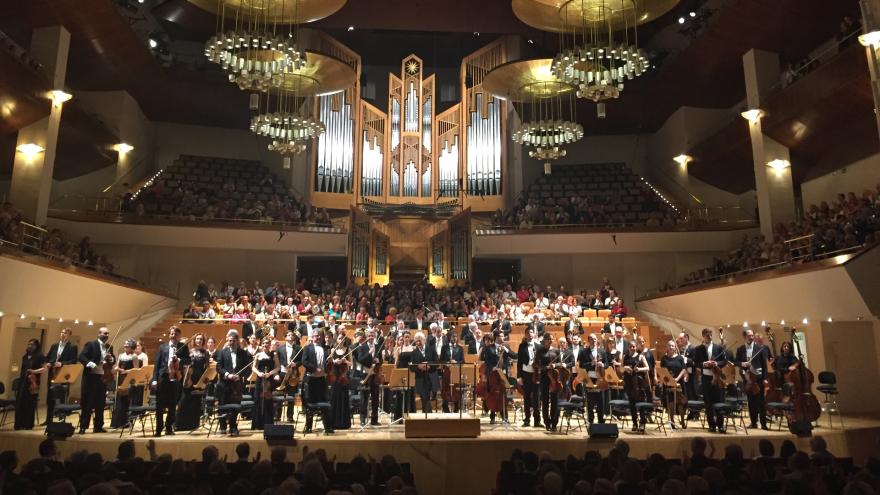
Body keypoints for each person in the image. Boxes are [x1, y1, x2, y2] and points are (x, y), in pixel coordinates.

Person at [150, 326, 190, 436]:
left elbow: (188, 360)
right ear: (169, 335)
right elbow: (157, 365)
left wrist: (180, 360)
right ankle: (159, 428)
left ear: (179, 336)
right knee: (159, 404)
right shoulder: (162, 347)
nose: (173, 336)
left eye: (176, 334)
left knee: (173, 404)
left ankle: (168, 427)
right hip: (163, 377)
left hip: (176, 377)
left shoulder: (183, 347)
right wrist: (154, 380)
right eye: (171, 334)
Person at [78, 326, 115, 434]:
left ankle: (98, 426)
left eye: (108, 334)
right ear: (99, 334)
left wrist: (111, 359)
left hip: (103, 377)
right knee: (87, 403)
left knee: (100, 403)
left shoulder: (109, 347)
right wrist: (91, 363)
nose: (106, 335)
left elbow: (113, 359)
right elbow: (81, 357)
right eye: (104, 333)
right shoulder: (91, 344)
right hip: (91, 377)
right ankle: (83, 427)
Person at [216, 330, 251, 436]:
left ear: (237, 341)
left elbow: (247, 369)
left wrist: (239, 376)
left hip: (237, 384)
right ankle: (222, 425)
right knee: (223, 404)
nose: (231, 342)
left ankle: (233, 426)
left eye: (233, 341)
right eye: (230, 340)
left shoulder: (243, 353)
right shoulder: (222, 352)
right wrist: (227, 374)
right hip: (224, 383)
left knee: (235, 406)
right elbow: (219, 367)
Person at [694, 328, 728, 433]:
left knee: (719, 401)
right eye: (707, 335)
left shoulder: (718, 348)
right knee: (708, 403)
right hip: (706, 378)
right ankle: (712, 426)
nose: (709, 336)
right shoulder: (699, 349)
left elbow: (724, 361)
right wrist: (704, 364)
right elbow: (696, 363)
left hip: (717, 377)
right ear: (703, 336)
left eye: (711, 335)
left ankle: (720, 425)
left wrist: (717, 364)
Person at [736, 328, 768, 430]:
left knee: (761, 403)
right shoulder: (740, 349)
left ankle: (763, 424)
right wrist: (742, 363)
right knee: (751, 402)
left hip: (758, 378)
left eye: (752, 335)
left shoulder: (760, 348)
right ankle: (753, 423)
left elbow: (764, 365)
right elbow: (736, 362)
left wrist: (765, 378)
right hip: (748, 379)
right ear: (744, 337)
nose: (751, 337)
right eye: (749, 336)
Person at [302, 331, 334, 434]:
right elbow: (304, 362)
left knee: (324, 402)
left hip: (321, 379)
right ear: (312, 337)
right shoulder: (307, 347)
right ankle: (308, 427)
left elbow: (324, 363)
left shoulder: (324, 348)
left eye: (319, 336)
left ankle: (327, 427)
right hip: (311, 379)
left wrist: (328, 362)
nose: (318, 337)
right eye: (316, 336)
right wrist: (315, 369)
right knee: (310, 403)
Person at [176, 333, 209, 431]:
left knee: (196, 402)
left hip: (199, 379)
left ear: (203, 341)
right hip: (189, 378)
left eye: (201, 339)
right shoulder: (190, 352)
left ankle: (193, 425)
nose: (199, 341)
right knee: (184, 401)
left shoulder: (206, 353)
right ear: (194, 340)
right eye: (197, 339)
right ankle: (180, 425)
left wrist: (205, 380)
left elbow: (207, 367)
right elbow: (185, 365)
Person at [44, 328, 77, 424]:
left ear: (69, 335)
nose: (63, 334)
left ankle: (61, 419)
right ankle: (48, 419)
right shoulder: (54, 346)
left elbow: (73, 361)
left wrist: (61, 363)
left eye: (66, 333)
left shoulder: (72, 347)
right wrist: (49, 363)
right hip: (53, 374)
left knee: (62, 396)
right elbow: (48, 358)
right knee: (50, 396)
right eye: (62, 332)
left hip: (63, 374)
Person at [577, 333, 608, 424]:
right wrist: (591, 364)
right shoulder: (583, 352)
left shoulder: (602, 351)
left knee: (600, 402)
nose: (594, 341)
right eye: (591, 339)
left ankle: (601, 422)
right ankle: (590, 422)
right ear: (588, 340)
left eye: (595, 339)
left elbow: (607, 364)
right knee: (590, 402)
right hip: (589, 378)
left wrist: (602, 364)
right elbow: (581, 365)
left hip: (600, 379)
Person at [14, 339, 45, 430]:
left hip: (33, 382)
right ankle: (19, 424)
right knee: (21, 403)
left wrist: (34, 371)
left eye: (31, 344)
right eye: (29, 344)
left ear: (36, 346)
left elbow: (44, 368)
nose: (29, 346)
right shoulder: (25, 356)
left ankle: (28, 424)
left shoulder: (40, 356)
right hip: (23, 382)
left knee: (30, 403)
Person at [251, 337, 280, 431]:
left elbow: (278, 367)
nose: (265, 345)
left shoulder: (274, 354)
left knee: (268, 401)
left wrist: (270, 374)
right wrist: (259, 373)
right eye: (263, 343)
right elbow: (254, 367)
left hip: (269, 380)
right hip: (260, 380)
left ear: (270, 344)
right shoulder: (258, 355)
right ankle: (258, 423)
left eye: (267, 343)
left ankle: (268, 423)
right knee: (258, 400)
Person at [354, 328, 382, 426]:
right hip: (365, 374)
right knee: (364, 398)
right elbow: (360, 359)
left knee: (375, 398)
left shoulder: (378, 346)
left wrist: (379, 361)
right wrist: (369, 353)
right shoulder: (362, 347)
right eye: (369, 335)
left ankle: (374, 420)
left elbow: (381, 360)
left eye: (372, 335)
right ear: (366, 337)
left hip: (375, 375)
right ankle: (363, 419)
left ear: (374, 337)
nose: (371, 337)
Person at [621, 342, 651, 432]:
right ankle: (634, 423)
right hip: (629, 383)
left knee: (641, 405)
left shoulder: (641, 356)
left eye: (634, 346)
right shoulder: (625, 357)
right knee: (632, 404)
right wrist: (625, 368)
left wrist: (639, 369)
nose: (632, 348)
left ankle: (642, 423)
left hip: (639, 383)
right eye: (631, 347)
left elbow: (647, 368)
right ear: (628, 348)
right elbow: (621, 369)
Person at [660, 340, 687, 430]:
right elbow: (662, 370)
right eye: (669, 345)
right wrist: (669, 379)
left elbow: (683, 369)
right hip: (668, 383)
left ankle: (682, 421)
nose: (671, 347)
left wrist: (677, 379)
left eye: (673, 346)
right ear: (667, 347)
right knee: (670, 402)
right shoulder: (664, 358)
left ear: (675, 348)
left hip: (678, 383)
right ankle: (672, 421)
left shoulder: (680, 358)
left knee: (680, 403)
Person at [275, 330, 302, 423]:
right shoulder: (280, 349)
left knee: (291, 396)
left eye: (292, 335)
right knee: (280, 395)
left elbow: (301, 361)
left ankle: (290, 416)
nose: (290, 336)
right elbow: (277, 362)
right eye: (288, 335)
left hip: (293, 375)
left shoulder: (298, 348)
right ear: (285, 337)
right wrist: (284, 366)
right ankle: (277, 416)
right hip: (283, 373)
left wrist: (295, 364)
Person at [110, 340, 138, 429]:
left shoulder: (134, 356)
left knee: (126, 400)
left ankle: (125, 422)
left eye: (127, 345)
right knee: (119, 400)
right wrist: (117, 368)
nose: (125, 346)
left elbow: (136, 369)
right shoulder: (121, 355)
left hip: (128, 379)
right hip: (120, 378)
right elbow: (117, 366)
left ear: (131, 347)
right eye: (125, 344)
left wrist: (125, 371)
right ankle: (117, 423)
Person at [517, 328, 541, 427]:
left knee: (537, 398)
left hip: (536, 375)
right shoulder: (522, 346)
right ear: (525, 335)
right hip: (526, 374)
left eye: (531, 332)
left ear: (534, 334)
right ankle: (527, 419)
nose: (530, 334)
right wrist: (519, 376)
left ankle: (537, 421)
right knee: (526, 397)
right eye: (528, 333)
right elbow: (519, 362)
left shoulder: (539, 346)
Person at [328, 333, 352, 430]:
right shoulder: (332, 350)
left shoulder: (348, 350)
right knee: (334, 398)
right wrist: (334, 361)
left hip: (344, 377)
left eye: (342, 338)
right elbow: (329, 362)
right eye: (339, 338)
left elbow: (351, 364)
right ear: (336, 340)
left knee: (343, 398)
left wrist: (345, 361)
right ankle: (334, 423)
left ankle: (343, 423)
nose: (340, 340)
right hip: (335, 377)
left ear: (344, 340)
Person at [440, 331, 466, 413]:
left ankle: (456, 409)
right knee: (445, 389)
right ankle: (445, 408)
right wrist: (446, 363)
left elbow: (463, 361)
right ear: (449, 337)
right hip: (447, 371)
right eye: (453, 336)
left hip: (456, 371)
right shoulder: (444, 347)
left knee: (456, 390)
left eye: (455, 336)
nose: (454, 338)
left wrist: (456, 362)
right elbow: (441, 360)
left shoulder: (460, 348)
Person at [410, 332, 433, 413]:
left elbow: (436, 362)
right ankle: (427, 416)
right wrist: (418, 367)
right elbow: (412, 367)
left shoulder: (431, 349)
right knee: (424, 396)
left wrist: (429, 366)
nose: (418, 343)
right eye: (416, 341)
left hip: (430, 377)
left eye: (420, 340)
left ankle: (427, 415)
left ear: (424, 340)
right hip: (420, 378)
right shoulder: (413, 353)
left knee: (426, 397)